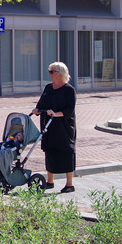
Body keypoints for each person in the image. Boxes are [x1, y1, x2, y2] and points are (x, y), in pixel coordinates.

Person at [31, 61, 77, 194]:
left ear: (60, 73)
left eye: (52, 72)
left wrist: (57, 114)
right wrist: (37, 109)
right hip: (48, 125)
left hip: (64, 126)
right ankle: (50, 181)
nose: (50, 74)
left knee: (66, 151)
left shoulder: (69, 90)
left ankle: (69, 184)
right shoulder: (48, 88)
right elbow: (41, 103)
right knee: (50, 151)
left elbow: (70, 109)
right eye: (49, 72)